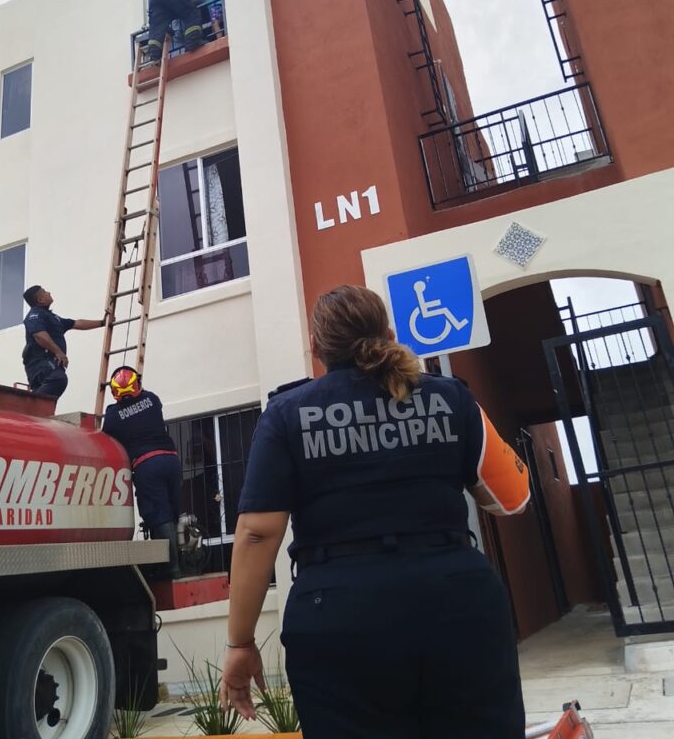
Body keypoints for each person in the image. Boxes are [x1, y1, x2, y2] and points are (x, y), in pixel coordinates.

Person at [221, 284, 530, 739]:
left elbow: (255, 535)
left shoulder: (287, 414)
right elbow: (513, 498)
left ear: (317, 348)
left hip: (340, 621)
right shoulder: (452, 398)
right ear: (388, 333)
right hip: (459, 605)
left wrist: (241, 642)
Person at [102, 365, 183, 579]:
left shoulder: (112, 417)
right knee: (174, 513)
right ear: (137, 384)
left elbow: (105, 437)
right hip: (171, 460)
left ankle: (171, 570)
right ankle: (184, 560)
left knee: (159, 517)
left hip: (147, 465)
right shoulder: (153, 400)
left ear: (114, 392)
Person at [21, 285, 107, 400]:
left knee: (51, 393)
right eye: (44, 292)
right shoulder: (35, 315)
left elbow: (77, 323)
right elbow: (39, 335)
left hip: (49, 364)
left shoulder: (53, 317)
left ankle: (38, 412)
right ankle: (30, 405)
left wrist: (103, 322)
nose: (49, 292)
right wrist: (58, 352)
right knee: (58, 380)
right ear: (40, 300)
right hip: (40, 364)